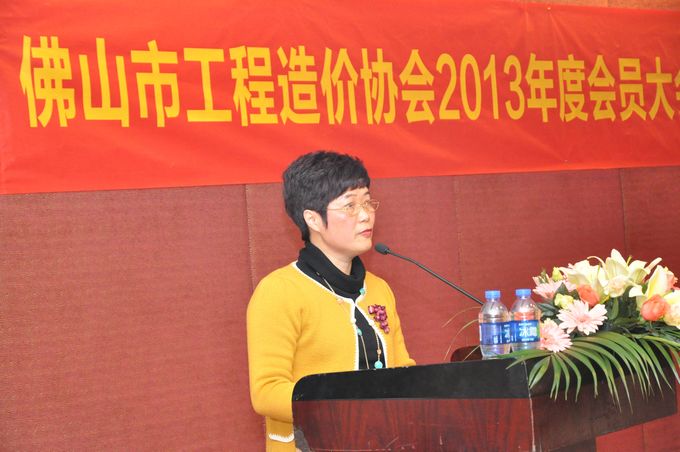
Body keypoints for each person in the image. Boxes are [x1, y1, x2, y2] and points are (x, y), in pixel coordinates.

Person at [247, 151, 415, 451]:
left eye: (367, 202)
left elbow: (403, 369)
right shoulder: (279, 291)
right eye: (350, 205)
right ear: (312, 218)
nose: (365, 215)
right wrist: (347, 409)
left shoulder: (379, 289)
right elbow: (267, 391)